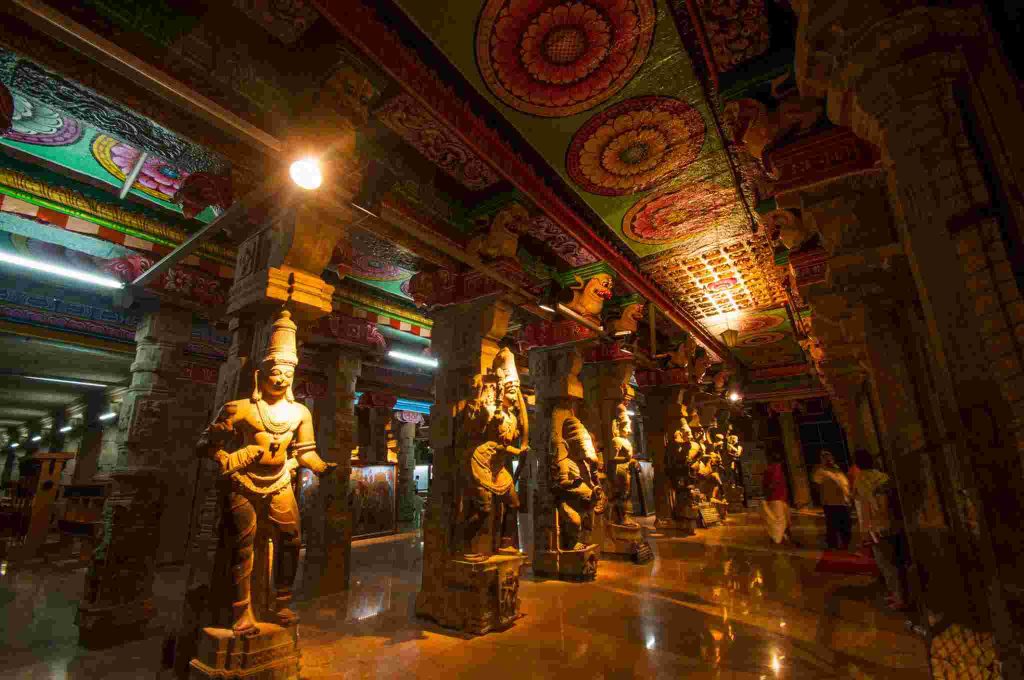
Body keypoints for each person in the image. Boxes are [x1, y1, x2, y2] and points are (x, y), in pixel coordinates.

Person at [852, 449, 908, 610]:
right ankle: (899, 594)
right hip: (894, 523)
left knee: (886, 563)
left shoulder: (860, 480)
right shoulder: (884, 477)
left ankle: (898, 598)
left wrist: (864, 533)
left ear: (857, 464)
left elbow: (863, 509)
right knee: (897, 561)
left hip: (877, 528)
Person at [812, 450, 852, 550]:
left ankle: (845, 544)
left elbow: (844, 484)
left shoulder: (837, 469)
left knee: (845, 524)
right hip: (830, 502)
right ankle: (833, 545)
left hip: (843, 501)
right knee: (832, 525)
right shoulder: (821, 472)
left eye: (829, 457)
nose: (828, 459)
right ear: (822, 460)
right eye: (825, 457)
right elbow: (816, 485)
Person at [761, 446, 792, 546]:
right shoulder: (777, 468)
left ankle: (780, 538)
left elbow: (767, 484)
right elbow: (773, 482)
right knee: (781, 519)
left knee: (778, 519)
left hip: (776, 497)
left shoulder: (770, 469)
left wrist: (767, 494)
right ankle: (779, 539)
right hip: (778, 497)